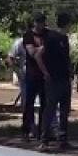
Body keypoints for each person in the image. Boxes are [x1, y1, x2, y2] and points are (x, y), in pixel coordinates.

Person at [38, 13, 73, 151]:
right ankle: (44, 140)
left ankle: (63, 139)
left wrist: (70, 71)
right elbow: (39, 55)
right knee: (50, 109)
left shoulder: (64, 39)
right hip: (53, 79)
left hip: (64, 78)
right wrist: (45, 73)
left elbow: (66, 58)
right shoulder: (51, 37)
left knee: (64, 110)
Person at [22, 13, 49, 142]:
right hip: (32, 73)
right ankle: (26, 130)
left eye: (42, 22)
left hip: (45, 73)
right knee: (29, 103)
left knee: (45, 104)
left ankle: (42, 131)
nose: (40, 25)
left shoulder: (48, 34)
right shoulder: (28, 35)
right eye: (38, 22)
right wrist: (43, 48)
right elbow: (31, 52)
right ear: (34, 22)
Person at [7, 28, 27, 107]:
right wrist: (17, 70)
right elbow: (10, 57)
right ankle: (25, 111)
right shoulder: (19, 42)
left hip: (39, 71)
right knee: (25, 91)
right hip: (24, 71)